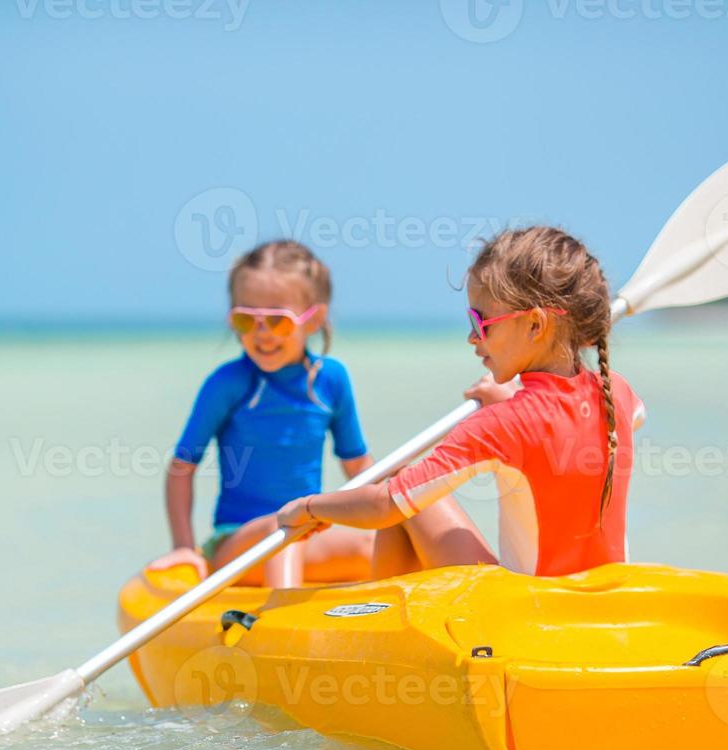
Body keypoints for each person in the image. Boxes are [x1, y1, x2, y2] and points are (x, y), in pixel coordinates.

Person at [276, 226, 644, 578]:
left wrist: (310, 507)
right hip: (602, 606)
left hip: (527, 614)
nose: (472, 337)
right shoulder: (619, 394)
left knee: (403, 482)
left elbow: (387, 505)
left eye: (481, 321)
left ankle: (376, 624)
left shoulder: (504, 424)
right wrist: (514, 400)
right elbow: (577, 424)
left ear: (534, 325)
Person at [148, 240, 374, 588]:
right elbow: (182, 467)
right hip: (236, 546)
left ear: (313, 319)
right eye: (245, 319)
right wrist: (183, 546)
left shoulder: (331, 380)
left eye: (277, 321)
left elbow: (358, 467)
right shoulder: (229, 384)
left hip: (305, 535)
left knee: (371, 543)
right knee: (283, 525)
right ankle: (287, 621)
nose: (261, 333)